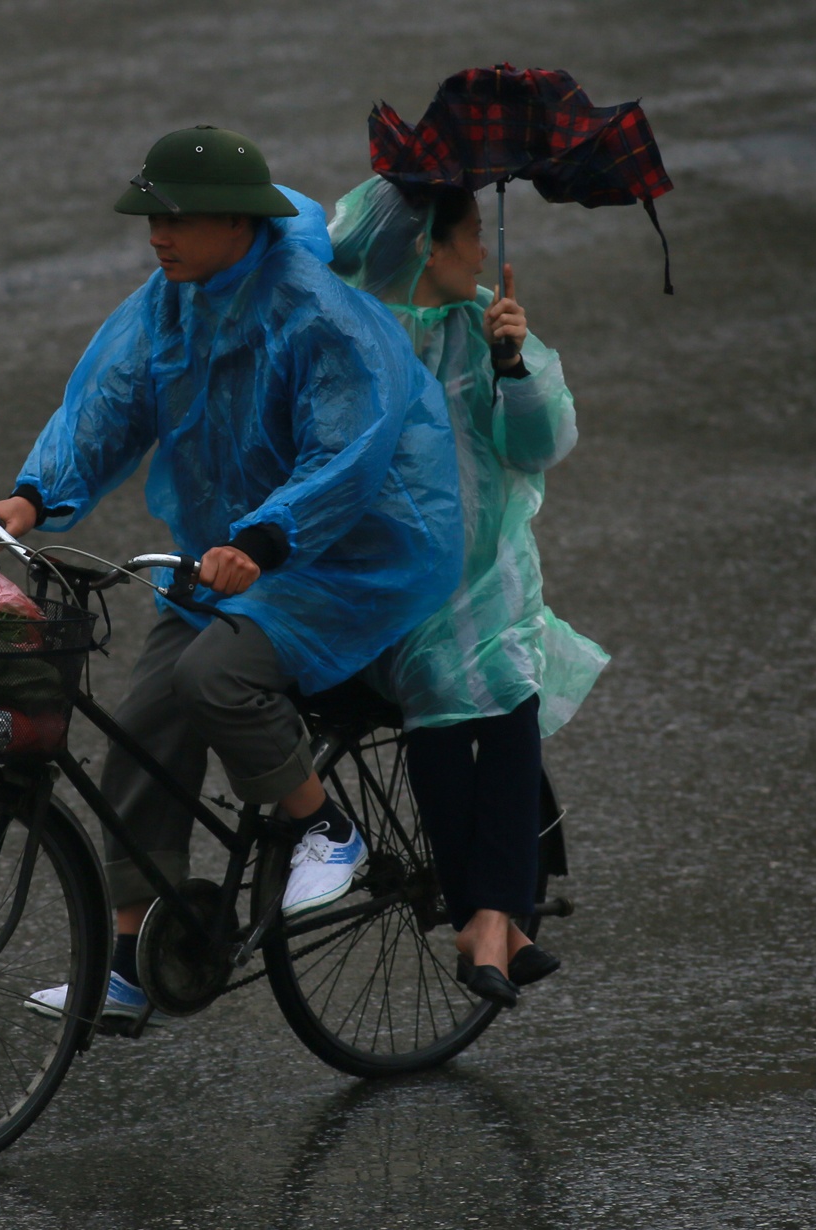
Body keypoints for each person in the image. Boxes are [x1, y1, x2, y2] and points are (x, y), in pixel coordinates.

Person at [0, 129, 463, 1022]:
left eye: (176, 216)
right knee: (142, 726)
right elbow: (108, 403)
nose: (157, 233)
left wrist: (269, 540)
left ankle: (326, 828)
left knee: (214, 676)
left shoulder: (318, 314)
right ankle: (130, 963)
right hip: (226, 556)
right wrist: (31, 499)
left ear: (239, 220)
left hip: (341, 552)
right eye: (150, 215)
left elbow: (348, 452)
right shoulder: (172, 300)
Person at [329, 176, 609, 1008]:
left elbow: (541, 444)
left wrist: (511, 362)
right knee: (445, 688)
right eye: (469, 236)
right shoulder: (357, 342)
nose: (483, 251)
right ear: (427, 247)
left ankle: (491, 919)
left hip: (488, 572)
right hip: (391, 582)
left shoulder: (481, 324)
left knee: (507, 680)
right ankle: (495, 920)